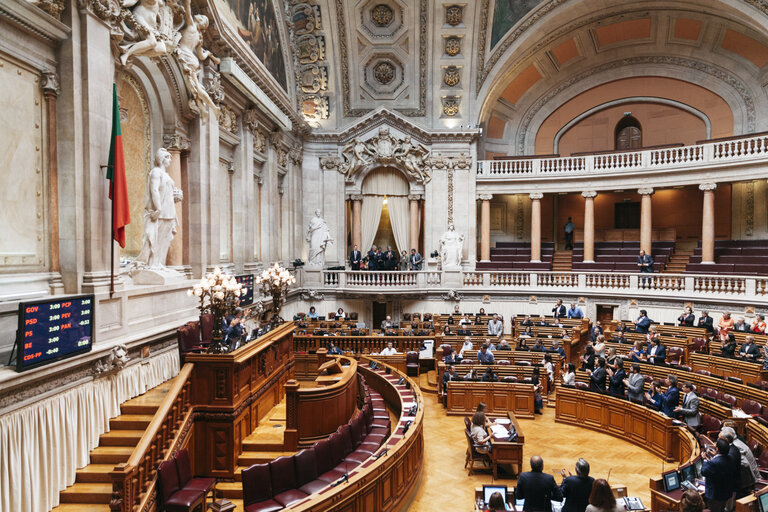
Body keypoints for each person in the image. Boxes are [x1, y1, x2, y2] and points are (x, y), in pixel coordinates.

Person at [721, 426, 759, 497]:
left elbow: (745, 464)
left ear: (726, 438)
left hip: (749, 479)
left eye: (720, 438)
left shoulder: (736, 446)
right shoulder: (736, 442)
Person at [701, 439, 738, 512]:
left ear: (717, 449)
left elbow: (704, 471)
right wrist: (715, 455)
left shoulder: (714, 463)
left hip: (715, 495)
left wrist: (704, 459)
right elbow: (720, 462)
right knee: (722, 509)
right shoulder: (731, 458)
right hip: (726, 492)